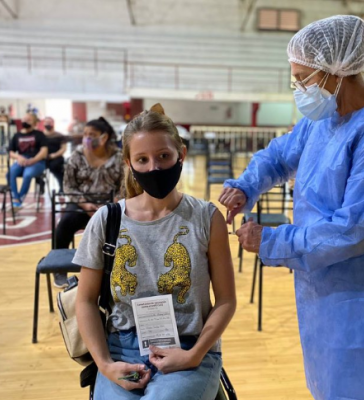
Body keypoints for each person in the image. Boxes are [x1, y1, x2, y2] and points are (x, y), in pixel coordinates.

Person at [219, 15, 364, 400]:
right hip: (324, 281)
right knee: (330, 383)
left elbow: (355, 228)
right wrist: (246, 186)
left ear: (336, 72)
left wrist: (272, 240)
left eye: (304, 78)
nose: (299, 88)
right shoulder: (321, 121)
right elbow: (279, 155)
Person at [73, 104, 236, 400]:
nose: (154, 168)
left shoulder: (207, 218)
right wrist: (105, 365)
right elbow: (84, 301)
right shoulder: (106, 221)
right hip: (122, 348)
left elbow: (226, 300)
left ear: (181, 155)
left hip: (189, 348)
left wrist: (195, 355)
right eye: (142, 159)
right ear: (129, 163)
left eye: (164, 156)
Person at [52, 117, 124, 288]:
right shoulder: (76, 156)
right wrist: (84, 204)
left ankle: (119, 268)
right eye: (85, 134)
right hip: (81, 205)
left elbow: (124, 186)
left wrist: (112, 204)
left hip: (110, 206)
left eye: (92, 135)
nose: (87, 138)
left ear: (104, 137)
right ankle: (59, 268)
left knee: (125, 226)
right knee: (64, 223)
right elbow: (68, 185)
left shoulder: (119, 157)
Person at [8, 112, 48, 209]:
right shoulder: (17, 135)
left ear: (34, 123)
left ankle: (19, 199)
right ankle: (16, 199)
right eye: (24, 119)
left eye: (28, 120)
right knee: (10, 173)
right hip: (22, 160)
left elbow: (44, 151)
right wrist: (19, 157)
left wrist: (33, 160)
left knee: (27, 174)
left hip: (37, 161)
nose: (25, 121)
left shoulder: (39, 134)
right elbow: (11, 152)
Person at [43, 117, 67, 193]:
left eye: (49, 122)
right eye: (46, 122)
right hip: (43, 158)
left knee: (55, 166)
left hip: (57, 157)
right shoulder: (40, 135)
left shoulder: (60, 135)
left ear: (53, 123)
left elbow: (63, 148)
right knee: (36, 166)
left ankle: (61, 187)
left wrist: (54, 155)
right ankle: (41, 183)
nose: (48, 124)